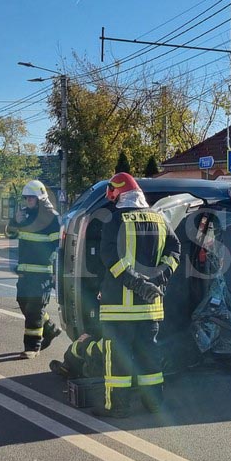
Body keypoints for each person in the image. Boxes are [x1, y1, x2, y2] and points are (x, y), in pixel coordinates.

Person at [93, 172, 180, 418]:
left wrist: (136, 283)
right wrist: (159, 278)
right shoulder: (160, 218)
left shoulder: (114, 220)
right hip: (151, 307)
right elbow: (175, 252)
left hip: (119, 307)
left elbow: (111, 259)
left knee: (118, 356)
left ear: (118, 192)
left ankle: (116, 406)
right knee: (148, 355)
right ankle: (153, 403)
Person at [8, 180, 63, 359]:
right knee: (24, 303)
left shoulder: (52, 218)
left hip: (43, 273)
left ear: (40, 198)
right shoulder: (24, 215)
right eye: (25, 198)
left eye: (31, 198)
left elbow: (58, 248)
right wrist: (14, 221)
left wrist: (56, 273)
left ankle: (32, 347)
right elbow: (10, 233)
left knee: (34, 309)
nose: (27, 201)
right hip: (24, 271)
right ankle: (50, 329)